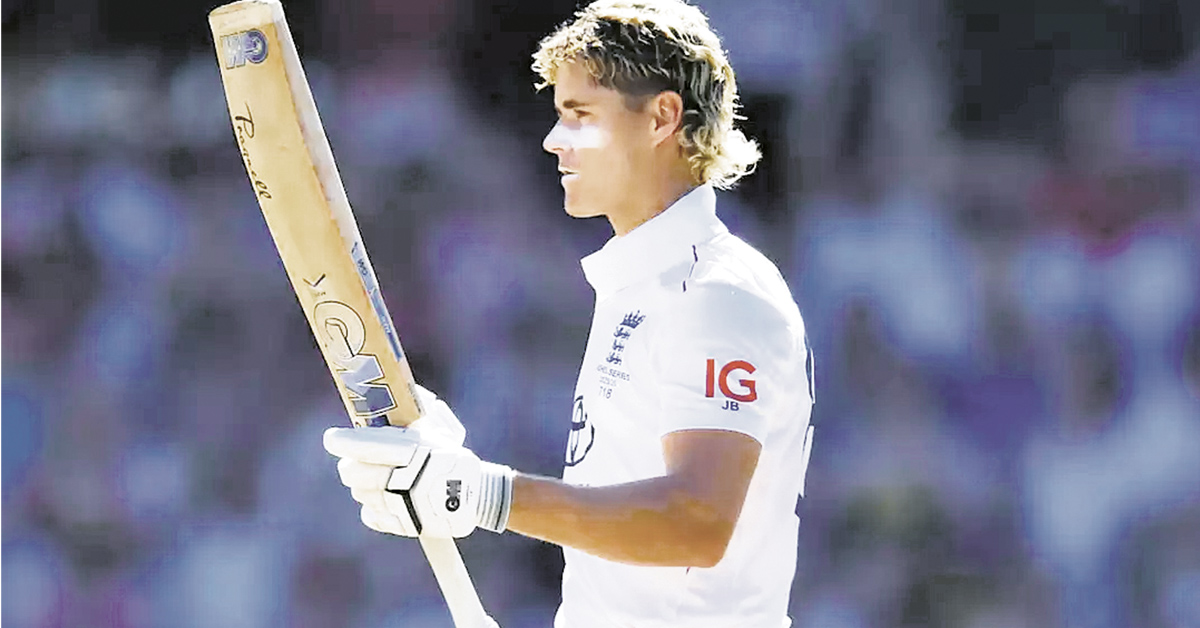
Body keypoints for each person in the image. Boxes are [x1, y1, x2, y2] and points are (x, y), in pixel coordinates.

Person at [323, 1, 817, 626]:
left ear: (661, 118)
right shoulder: (639, 285)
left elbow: (697, 523)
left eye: (580, 116)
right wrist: (451, 465)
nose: (554, 140)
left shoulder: (718, 293)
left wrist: (483, 493)